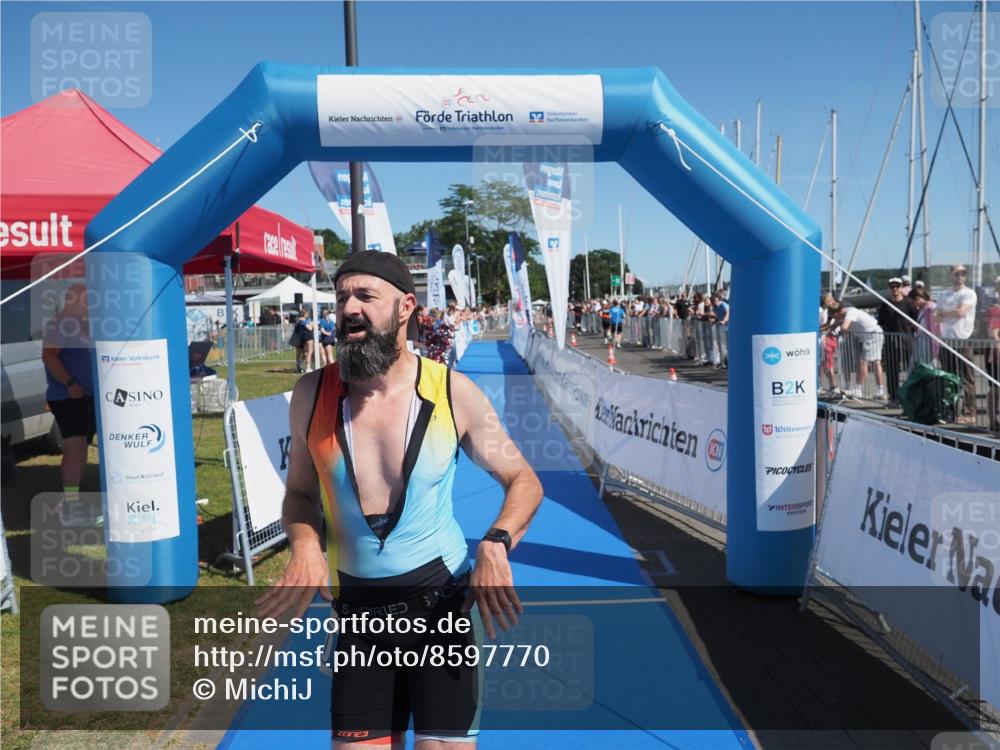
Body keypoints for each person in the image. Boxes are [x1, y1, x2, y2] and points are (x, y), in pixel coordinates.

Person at [258, 251, 543, 748]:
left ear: (405, 306)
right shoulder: (311, 394)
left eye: (366, 296)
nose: (349, 308)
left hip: (442, 614)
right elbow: (301, 494)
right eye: (342, 296)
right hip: (359, 620)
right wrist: (305, 544)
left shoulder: (455, 394)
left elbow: (523, 479)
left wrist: (496, 542)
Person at [41, 284, 99, 525]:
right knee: (75, 449)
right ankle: (69, 507)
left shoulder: (79, 325)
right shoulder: (60, 324)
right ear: (72, 300)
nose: (89, 306)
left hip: (83, 396)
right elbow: (48, 355)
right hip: (68, 397)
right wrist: (70, 383)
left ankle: (68, 501)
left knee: (80, 450)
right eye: (86, 301)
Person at [935, 264, 978, 423]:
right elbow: (935, 316)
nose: (960, 276)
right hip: (947, 340)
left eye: (963, 273)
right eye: (957, 273)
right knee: (949, 378)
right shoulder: (944, 294)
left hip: (963, 340)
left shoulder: (969, 293)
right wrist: (950, 312)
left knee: (967, 379)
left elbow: (961, 312)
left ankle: (969, 413)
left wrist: (944, 313)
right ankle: (951, 411)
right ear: (951, 275)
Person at [832, 302, 886, 400]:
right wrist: (835, 325)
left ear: (838, 313)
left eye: (834, 315)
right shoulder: (847, 314)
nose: (834, 318)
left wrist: (838, 324)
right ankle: (880, 390)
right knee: (875, 362)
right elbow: (836, 326)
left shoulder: (850, 312)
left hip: (872, 335)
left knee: (863, 362)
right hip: (872, 335)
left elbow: (844, 327)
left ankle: (858, 389)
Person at [877, 277, 916, 405]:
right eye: (892, 286)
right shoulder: (884, 304)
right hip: (890, 342)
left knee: (911, 370)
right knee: (892, 371)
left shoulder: (909, 304)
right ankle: (893, 397)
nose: (895, 289)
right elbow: (881, 322)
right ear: (889, 288)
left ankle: (912, 397)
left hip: (907, 341)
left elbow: (915, 321)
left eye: (897, 286)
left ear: (901, 287)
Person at [986, 277, 1000, 432]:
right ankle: (993, 421)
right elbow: (994, 334)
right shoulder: (995, 310)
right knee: (995, 389)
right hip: (995, 357)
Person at [294, 308, 315, 374]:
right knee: (308, 352)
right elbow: (310, 328)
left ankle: (300, 366)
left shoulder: (298, 320)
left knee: (301, 353)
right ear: (305, 314)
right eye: (307, 313)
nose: (308, 315)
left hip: (299, 338)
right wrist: (312, 324)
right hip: (304, 337)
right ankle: (306, 367)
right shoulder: (303, 321)